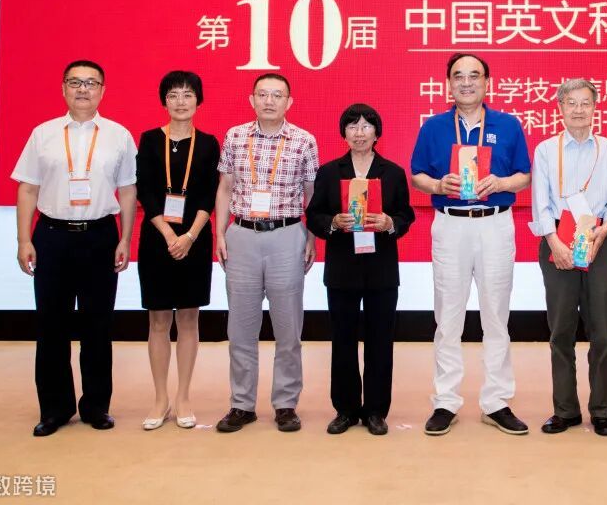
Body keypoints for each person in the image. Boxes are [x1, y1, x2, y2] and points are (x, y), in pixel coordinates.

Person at [12, 60, 137, 436]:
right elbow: (28, 188)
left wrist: (125, 238)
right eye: (75, 82)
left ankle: (96, 407)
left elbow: (127, 191)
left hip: (101, 236)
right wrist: (24, 239)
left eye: (91, 83)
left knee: (98, 326)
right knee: (52, 326)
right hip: (53, 236)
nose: (83, 89)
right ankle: (55, 408)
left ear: (103, 90)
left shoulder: (118, 135)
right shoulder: (43, 134)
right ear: (63, 88)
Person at [410, 53, 532, 436]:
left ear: (487, 82)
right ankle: (446, 401)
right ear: (448, 83)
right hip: (450, 226)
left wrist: (501, 182)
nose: (466, 82)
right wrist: (436, 185)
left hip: (495, 224)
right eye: (458, 76)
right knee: (448, 316)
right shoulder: (433, 127)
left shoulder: (508, 125)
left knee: (496, 315)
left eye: (474, 76)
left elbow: (525, 175)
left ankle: (496, 401)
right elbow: (416, 175)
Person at [213, 73, 319, 433]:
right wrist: (220, 233)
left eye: (277, 95)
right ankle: (241, 404)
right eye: (263, 94)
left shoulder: (304, 140)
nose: (269, 101)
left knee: (288, 329)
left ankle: (286, 403)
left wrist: (312, 237)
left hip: (287, 235)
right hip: (242, 235)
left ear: (289, 102)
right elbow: (225, 188)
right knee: (240, 328)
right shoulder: (235, 136)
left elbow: (311, 194)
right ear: (252, 99)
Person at [305, 104, 416, 436]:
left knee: (381, 340)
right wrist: (333, 222)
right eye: (352, 126)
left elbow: (406, 215)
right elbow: (314, 215)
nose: (359, 132)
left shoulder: (392, 172)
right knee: (342, 340)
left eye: (366, 126)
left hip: (381, 268)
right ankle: (346, 409)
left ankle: (376, 411)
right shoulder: (329, 172)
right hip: (342, 267)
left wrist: (390, 222)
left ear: (377, 133)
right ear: (344, 133)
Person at [529, 79, 607, 436]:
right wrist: (554, 242)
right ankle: (565, 410)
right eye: (571, 103)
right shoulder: (545, 150)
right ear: (559, 107)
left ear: (595, 106)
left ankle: (602, 410)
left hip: (599, 241)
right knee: (561, 330)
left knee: (602, 330)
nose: (578, 110)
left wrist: (605, 230)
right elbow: (540, 202)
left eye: (585, 103)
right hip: (557, 240)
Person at [134, 71, 220, 430]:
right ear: (164, 101)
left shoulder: (209, 143)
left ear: (198, 100)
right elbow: (146, 191)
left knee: (188, 318)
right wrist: (170, 234)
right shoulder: (150, 140)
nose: (181, 101)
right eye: (173, 95)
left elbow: (208, 194)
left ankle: (183, 396)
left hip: (194, 240)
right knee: (158, 320)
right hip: (158, 238)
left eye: (188, 94)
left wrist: (189, 237)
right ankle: (160, 398)